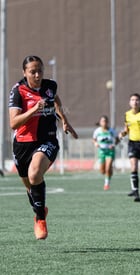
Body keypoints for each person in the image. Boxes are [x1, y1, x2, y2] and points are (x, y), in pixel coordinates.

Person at [8, 55, 78, 240]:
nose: (37, 75)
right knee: (30, 187)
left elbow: (55, 100)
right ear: (24, 72)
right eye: (33, 72)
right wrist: (33, 110)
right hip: (23, 144)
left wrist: (64, 120)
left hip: (47, 140)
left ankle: (40, 219)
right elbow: (13, 123)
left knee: (35, 173)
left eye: (40, 70)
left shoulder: (50, 86)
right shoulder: (18, 91)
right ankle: (40, 209)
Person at [93, 115, 119, 190]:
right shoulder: (97, 131)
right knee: (102, 171)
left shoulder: (111, 131)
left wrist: (113, 145)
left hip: (110, 151)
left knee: (108, 168)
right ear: (100, 122)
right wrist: (96, 143)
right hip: (101, 151)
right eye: (102, 121)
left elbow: (117, 139)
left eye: (105, 121)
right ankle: (109, 173)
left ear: (107, 122)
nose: (104, 123)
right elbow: (94, 139)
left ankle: (106, 184)